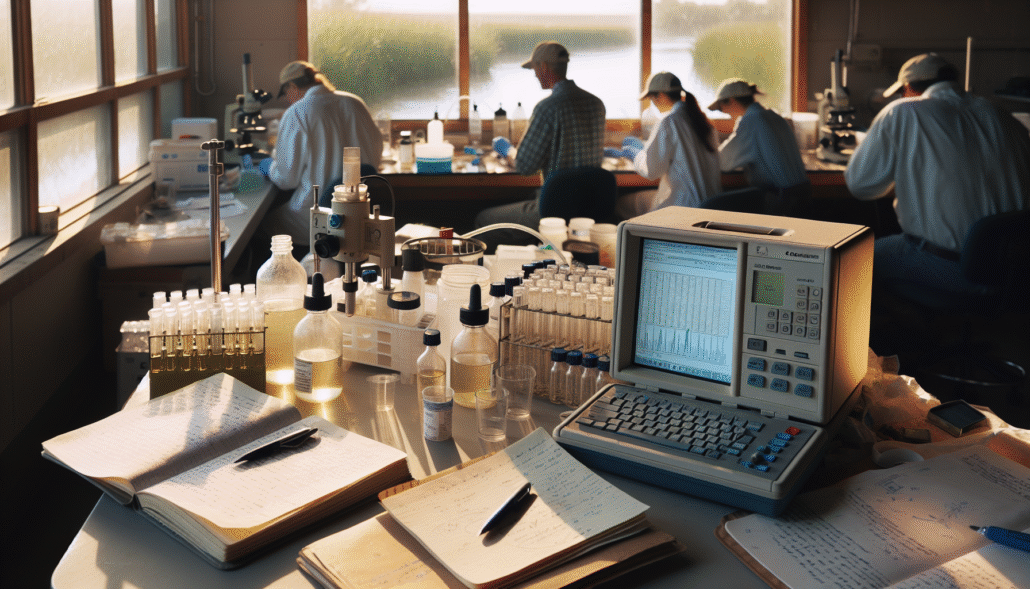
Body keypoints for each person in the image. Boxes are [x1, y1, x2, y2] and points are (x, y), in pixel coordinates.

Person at [845, 52, 1030, 297]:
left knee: (850, 258)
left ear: (909, 88)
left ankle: (894, 330)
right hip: (1011, 271)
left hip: (948, 267)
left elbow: (860, 185)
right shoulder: (1003, 116)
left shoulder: (903, 112)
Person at [474, 42, 606, 244]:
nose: (534, 74)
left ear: (543, 66)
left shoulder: (547, 108)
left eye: (534, 68)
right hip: (590, 210)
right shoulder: (596, 104)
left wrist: (508, 150)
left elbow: (525, 166)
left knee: (483, 219)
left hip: (553, 212)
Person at [259, 61, 382, 248]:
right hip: (361, 213)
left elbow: (286, 180)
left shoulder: (298, 113)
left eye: (285, 94)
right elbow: (377, 152)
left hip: (319, 216)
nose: (287, 100)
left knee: (264, 225)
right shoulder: (355, 103)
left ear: (292, 87)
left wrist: (268, 166)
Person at [617, 72, 721, 218]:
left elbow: (651, 171)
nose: (652, 103)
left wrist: (636, 155)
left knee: (621, 204)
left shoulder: (669, 122)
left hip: (684, 209)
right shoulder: (704, 122)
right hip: (712, 205)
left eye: (652, 99)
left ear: (661, 96)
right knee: (649, 198)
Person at [708, 78, 809, 214]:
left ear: (731, 101)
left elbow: (723, 162)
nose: (723, 113)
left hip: (782, 200)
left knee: (709, 206)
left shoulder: (751, 121)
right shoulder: (775, 117)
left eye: (721, 108)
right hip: (803, 195)